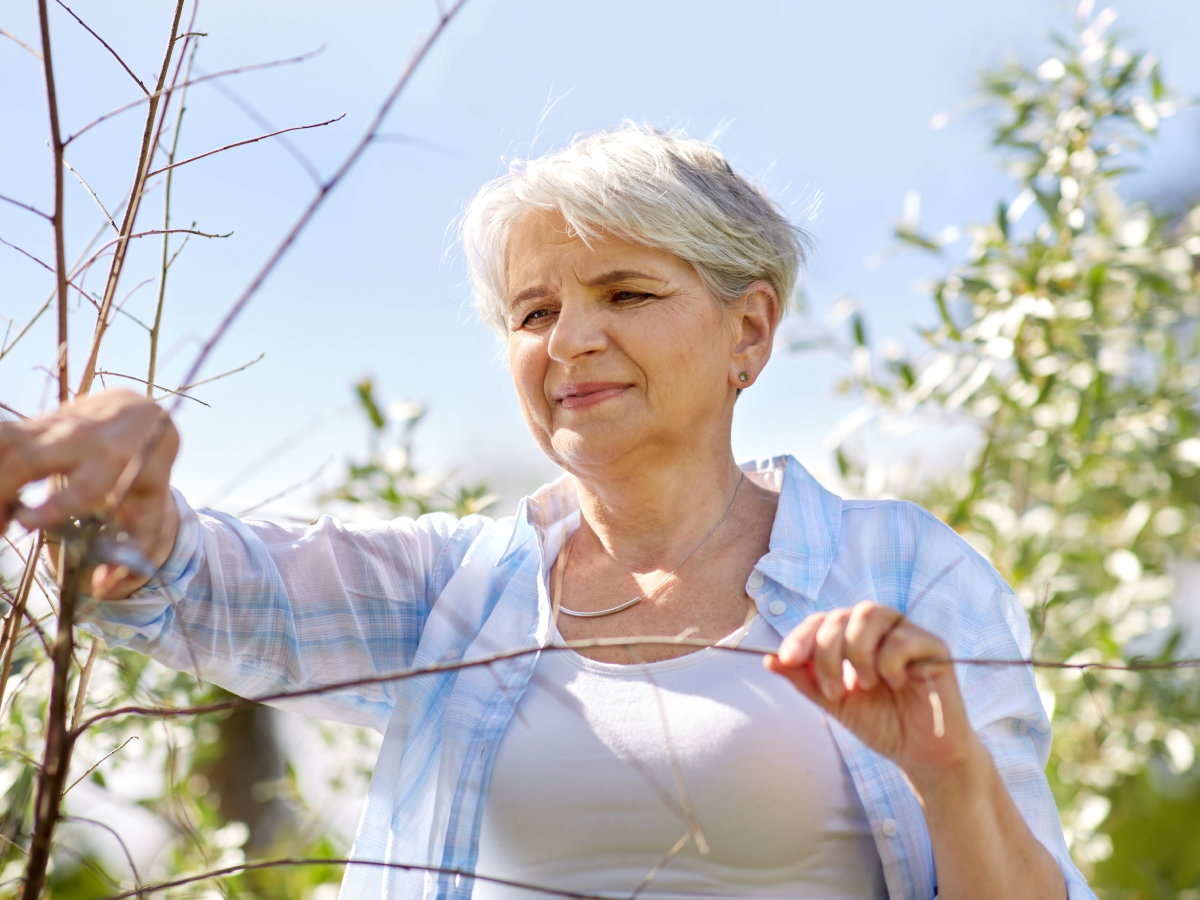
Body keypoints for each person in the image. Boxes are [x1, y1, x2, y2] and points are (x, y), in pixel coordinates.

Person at [0, 124, 1094, 900]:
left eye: (625, 293)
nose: (568, 340)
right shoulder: (455, 593)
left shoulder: (905, 578)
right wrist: (113, 476)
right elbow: (187, 578)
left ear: (749, 332)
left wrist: (949, 775)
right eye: (534, 311)